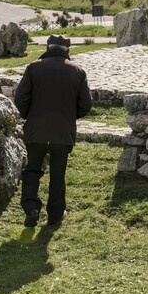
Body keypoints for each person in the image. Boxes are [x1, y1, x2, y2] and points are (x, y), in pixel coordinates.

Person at [14, 34, 92, 228]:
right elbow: (86, 104)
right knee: (58, 173)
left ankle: (31, 208)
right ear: (67, 50)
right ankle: (55, 215)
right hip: (63, 131)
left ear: (48, 47)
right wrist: (70, 117)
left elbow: (20, 99)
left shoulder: (33, 68)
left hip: (36, 129)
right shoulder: (78, 71)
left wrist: (29, 117)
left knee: (32, 169)